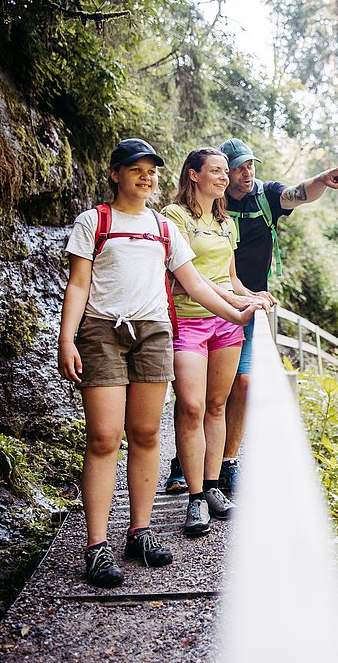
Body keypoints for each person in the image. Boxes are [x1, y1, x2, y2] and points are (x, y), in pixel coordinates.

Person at [58, 138, 261, 588]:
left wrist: (240, 312)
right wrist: (66, 339)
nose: (146, 177)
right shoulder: (95, 221)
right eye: (136, 169)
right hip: (101, 331)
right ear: (115, 173)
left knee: (147, 434)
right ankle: (95, 546)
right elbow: (78, 285)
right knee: (105, 437)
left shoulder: (162, 226)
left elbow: (197, 284)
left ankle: (139, 532)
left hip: (154, 333)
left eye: (151, 170)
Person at [165, 137, 338, 496]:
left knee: (241, 385)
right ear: (211, 174)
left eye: (250, 166)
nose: (246, 173)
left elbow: (298, 193)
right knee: (193, 397)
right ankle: (184, 464)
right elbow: (188, 272)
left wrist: (322, 180)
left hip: (241, 308)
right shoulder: (195, 214)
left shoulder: (263, 198)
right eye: (235, 169)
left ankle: (226, 464)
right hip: (200, 309)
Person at [162, 147, 272, 537]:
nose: (225, 177)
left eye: (227, 171)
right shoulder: (174, 217)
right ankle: (193, 498)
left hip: (226, 326)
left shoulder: (226, 222)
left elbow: (231, 278)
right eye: (216, 171)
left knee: (216, 404)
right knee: (190, 406)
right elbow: (190, 277)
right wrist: (236, 303)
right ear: (193, 175)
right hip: (189, 320)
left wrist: (252, 295)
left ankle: (211, 488)